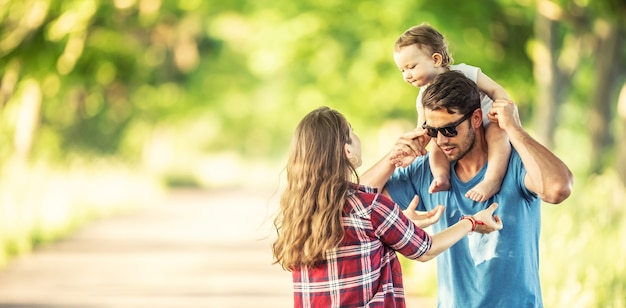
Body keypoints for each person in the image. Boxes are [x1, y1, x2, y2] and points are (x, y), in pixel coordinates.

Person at [361, 71, 574, 307]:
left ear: (475, 118)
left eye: (450, 129)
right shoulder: (427, 172)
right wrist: (392, 159)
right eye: (433, 131)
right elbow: (354, 205)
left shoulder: (515, 164)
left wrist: (514, 129)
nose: (441, 141)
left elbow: (558, 189)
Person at [272, 106, 503, 307]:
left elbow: (355, 232)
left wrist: (400, 220)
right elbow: (426, 250)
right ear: (347, 150)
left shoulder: (299, 212)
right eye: (352, 132)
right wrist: (471, 222)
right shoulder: (370, 207)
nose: (357, 136)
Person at [394, 23, 512, 202]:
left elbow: (495, 89)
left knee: (498, 135)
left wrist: (503, 109)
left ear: (435, 60)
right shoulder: (423, 96)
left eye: (411, 67)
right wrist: (413, 148)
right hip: (454, 132)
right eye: (402, 70)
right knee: (436, 143)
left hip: (487, 120)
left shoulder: (466, 72)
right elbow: (423, 129)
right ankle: (442, 177)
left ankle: (492, 180)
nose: (406, 75)